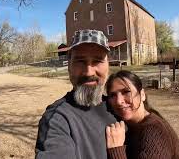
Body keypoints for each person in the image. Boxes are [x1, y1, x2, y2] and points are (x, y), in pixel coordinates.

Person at [35, 29, 117, 159]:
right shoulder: (58, 119)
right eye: (80, 61)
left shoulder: (120, 106)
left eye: (97, 61)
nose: (89, 72)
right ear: (69, 66)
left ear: (108, 65)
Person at [105, 70, 179, 159]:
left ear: (142, 94)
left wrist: (116, 150)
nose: (119, 101)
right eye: (113, 95)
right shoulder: (132, 124)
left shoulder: (153, 132)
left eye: (126, 92)